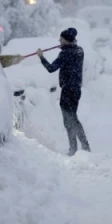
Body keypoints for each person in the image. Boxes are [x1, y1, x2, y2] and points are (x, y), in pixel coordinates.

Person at [37, 28, 90, 156]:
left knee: (69, 120)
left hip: (67, 90)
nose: (59, 41)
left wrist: (41, 57)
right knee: (73, 118)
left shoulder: (65, 54)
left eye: (61, 39)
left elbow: (51, 68)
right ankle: (83, 147)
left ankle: (75, 149)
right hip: (76, 89)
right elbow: (70, 51)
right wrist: (63, 47)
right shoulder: (79, 50)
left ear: (66, 40)